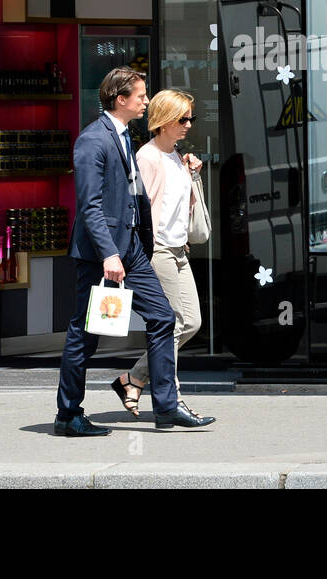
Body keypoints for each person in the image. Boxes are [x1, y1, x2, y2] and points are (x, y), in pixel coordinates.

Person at [53, 68, 214, 435]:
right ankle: (68, 415)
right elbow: (91, 205)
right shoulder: (93, 140)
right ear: (120, 99)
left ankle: (166, 407)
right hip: (102, 255)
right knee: (85, 333)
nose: (146, 100)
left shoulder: (124, 136)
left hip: (133, 250)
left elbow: (134, 196)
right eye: (140, 95)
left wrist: (141, 244)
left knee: (163, 317)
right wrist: (110, 254)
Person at [112, 90, 214, 420]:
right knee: (172, 323)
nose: (188, 125)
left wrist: (193, 172)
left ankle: (134, 378)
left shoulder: (176, 156)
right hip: (156, 250)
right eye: (181, 119)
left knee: (192, 322)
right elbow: (139, 209)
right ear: (163, 120)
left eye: (190, 118)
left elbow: (178, 204)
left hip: (177, 248)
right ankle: (173, 401)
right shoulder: (148, 158)